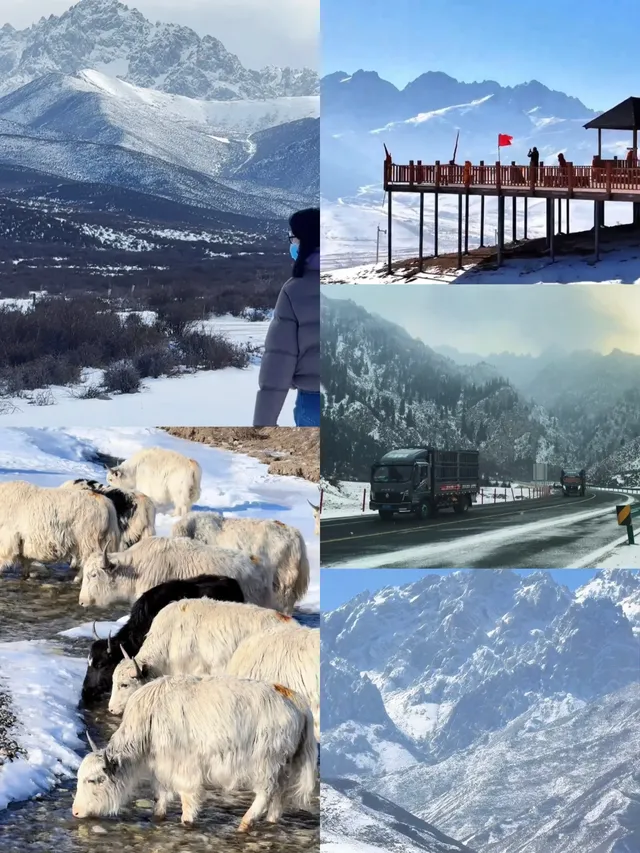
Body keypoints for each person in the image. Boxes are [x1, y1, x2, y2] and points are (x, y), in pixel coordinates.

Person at [253, 207, 320, 427]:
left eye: (294, 238)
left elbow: (278, 361)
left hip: (314, 402)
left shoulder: (294, 291)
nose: (292, 244)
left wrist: (263, 425)